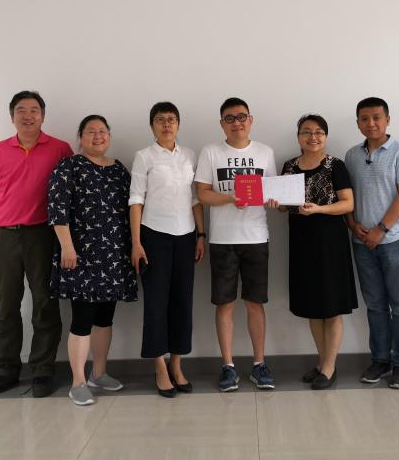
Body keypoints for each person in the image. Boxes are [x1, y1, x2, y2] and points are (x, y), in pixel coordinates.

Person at [0, 91, 73, 398]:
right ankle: (6, 370)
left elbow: (70, 195)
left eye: (34, 110)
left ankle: (43, 371)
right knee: (6, 304)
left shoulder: (60, 149)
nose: (28, 115)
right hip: (3, 234)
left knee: (45, 303)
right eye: (21, 110)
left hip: (43, 234)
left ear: (43, 116)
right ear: (12, 116)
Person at [47, 114, 137, 406]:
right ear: (80, 137)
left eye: (102, 131)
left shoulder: (119, 170)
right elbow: (57, 210)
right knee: (82, 319)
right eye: (90, 132)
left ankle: (99, 373)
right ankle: (78, 382)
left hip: (114, 256)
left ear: (109, 135)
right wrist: (67, 246)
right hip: (81, 256)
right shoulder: (69, 167)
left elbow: (132, 209)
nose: (97, 136)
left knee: (105, 318)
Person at [195, 97, 278, 392]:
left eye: (241, 117)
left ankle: (259, 364)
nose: (236, 122)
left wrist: (274, 201)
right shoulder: (210, 152)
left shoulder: (265, 152)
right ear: (222, 124)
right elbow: (203, 194)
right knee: (225, 303)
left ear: (250, 120)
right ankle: (228, 366)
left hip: (256, 237)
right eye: (229, 118)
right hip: (223, 239)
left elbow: (272, 191)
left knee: (256, 302)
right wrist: (231, 198)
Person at [129, 102, 205, 398]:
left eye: (172, 119)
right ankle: (159, 367)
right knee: (156, 302)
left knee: (182, 301)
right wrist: (136, 243)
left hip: (186, 235)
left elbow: (195, 199)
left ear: (178, 124)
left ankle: (177, 364)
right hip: (153, 236)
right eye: (160, 120)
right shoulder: (144, 156)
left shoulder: (189, 155)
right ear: (152, 126)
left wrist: (200, 235)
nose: (166, 124)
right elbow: (136, 199)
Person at [345, 98, 399, 389]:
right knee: (375, 305)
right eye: (364, 119)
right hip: (361, 241)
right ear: (358, 123)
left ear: (387, 120)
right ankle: (380, 359)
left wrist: (381, 229)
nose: (371, 123)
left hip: (394, 240)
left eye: (377, 117)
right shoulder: (352, 155)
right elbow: (347, 195)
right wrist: (352, 224)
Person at [278, 114, 357, 390]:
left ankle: (330, 366)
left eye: (319, 132)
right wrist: (276, 203)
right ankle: (323, 362)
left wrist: (320, 209)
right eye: (307, 132)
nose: (313, 137)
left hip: (330, 241)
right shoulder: (289, 166)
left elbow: (347, 204)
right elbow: (285, 204)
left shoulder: (336, 165)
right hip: (301, 242)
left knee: (332, 306)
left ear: (325, 136)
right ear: (298, 136)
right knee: (313, 305)